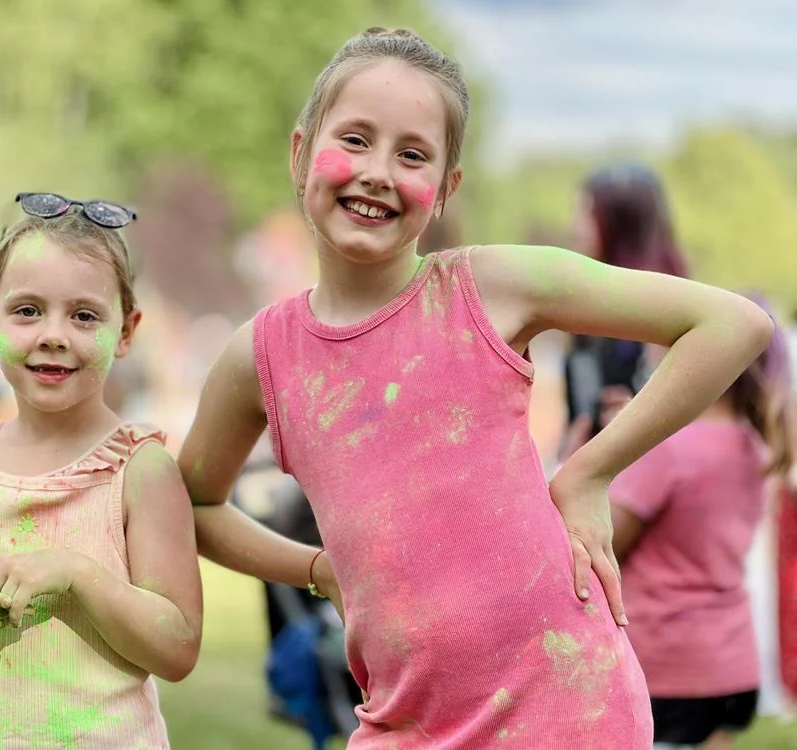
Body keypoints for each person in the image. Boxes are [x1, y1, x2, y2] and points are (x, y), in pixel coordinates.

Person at [176, 27, 774, 748]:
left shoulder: (489, 289)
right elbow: (199, 505)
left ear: (445, 190)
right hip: (402, 725)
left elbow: (731, 325)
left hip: (570, 709)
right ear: (301, 153)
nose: (377, 172)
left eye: (413, 155)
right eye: (356, 139)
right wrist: (311, 567)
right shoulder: (261, 357)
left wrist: (589, 472)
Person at [0, 194, 203, 749]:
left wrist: (77, 575)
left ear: (127, 330)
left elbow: (178, 648)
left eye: (84, 315)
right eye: (28, 310)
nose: (53, 334)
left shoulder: (140, 470)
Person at [610, 296, 792, 749]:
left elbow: (602, 542)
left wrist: (595, 454)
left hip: (667, 668)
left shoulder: (666, 448)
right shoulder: (754, 445)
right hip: (731, 663)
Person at [559, 162, 690, 463]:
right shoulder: (584, 309)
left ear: (616, 225)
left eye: (584, 213)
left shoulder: (663, 316)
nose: (573, 227)